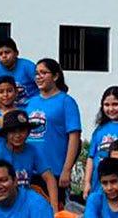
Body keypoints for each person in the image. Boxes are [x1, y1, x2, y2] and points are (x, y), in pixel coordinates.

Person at [26, 58, 82, 199]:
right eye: (37, 73)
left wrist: (67, 169)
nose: (39, 77)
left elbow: (74, 137)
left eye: (43, 73)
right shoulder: (30, 103)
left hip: (55, 170)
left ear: (56, 76)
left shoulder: (66, 101)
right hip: (30, 171)